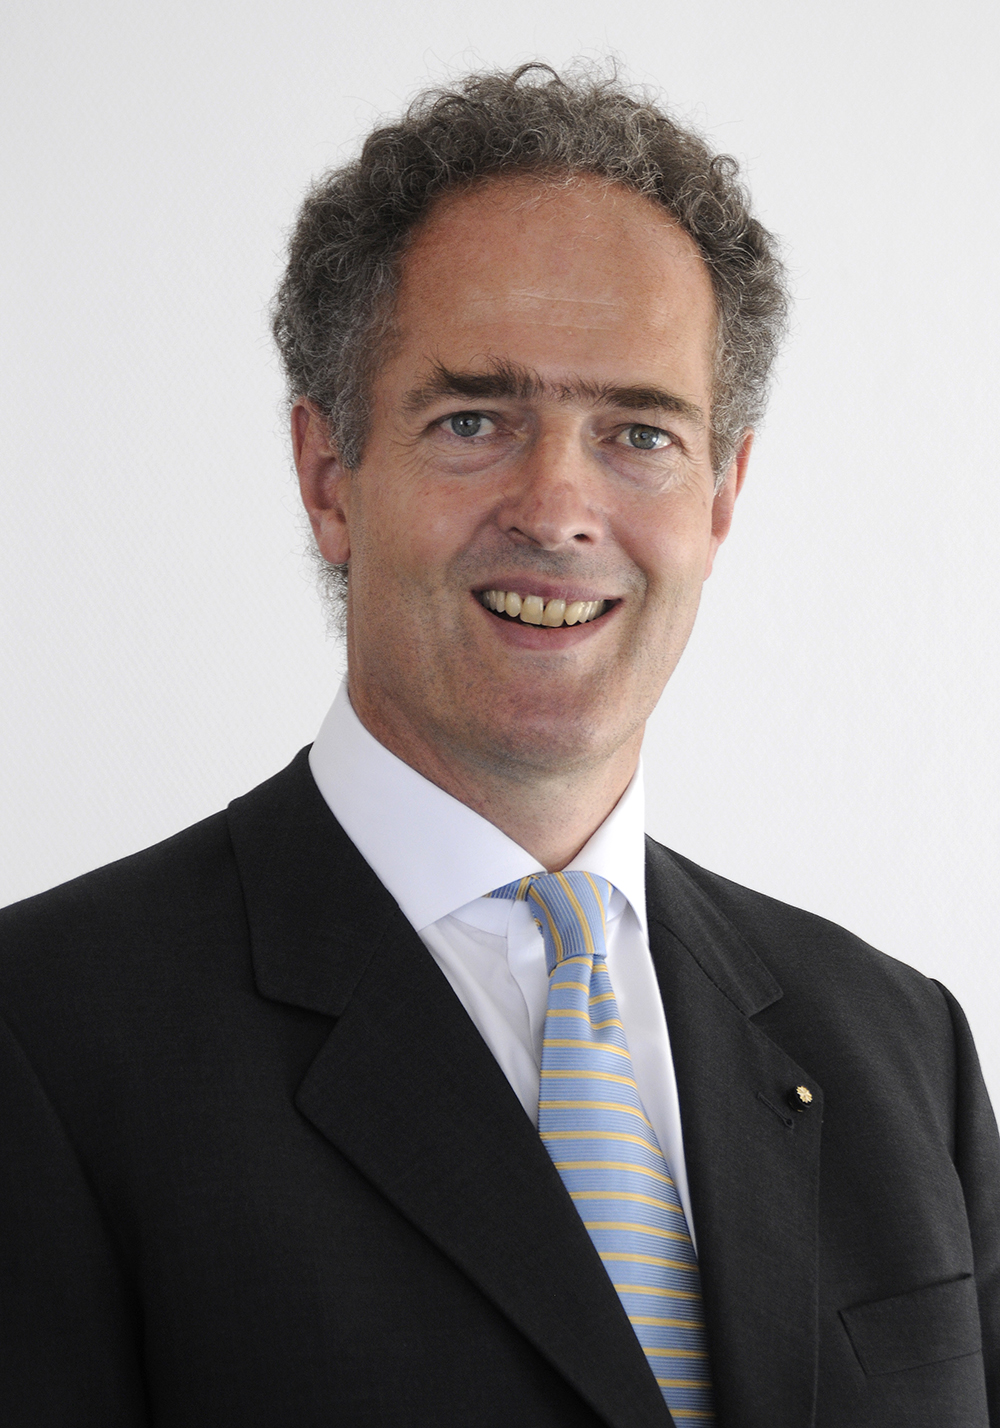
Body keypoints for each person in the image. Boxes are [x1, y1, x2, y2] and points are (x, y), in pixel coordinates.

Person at [1, 62, 997, 1428]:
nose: (559, 506)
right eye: (474, 421)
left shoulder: (901, 1047)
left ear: (721, 497)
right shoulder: (44, 1041)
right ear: (329, 477)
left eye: (639, 432)